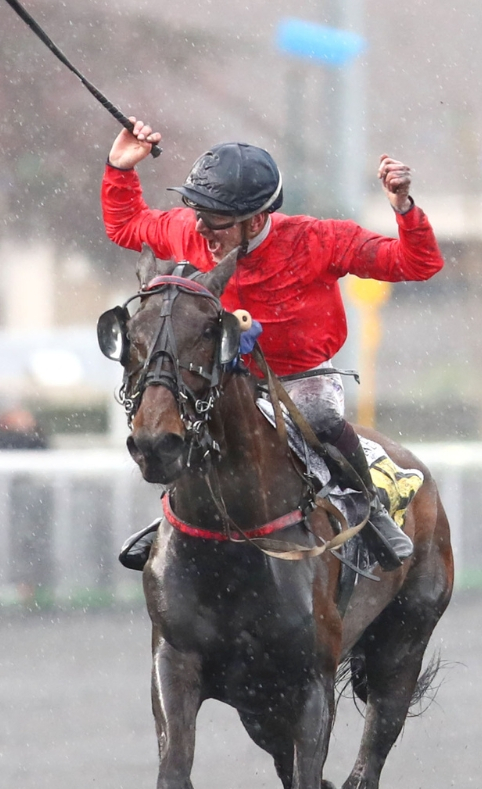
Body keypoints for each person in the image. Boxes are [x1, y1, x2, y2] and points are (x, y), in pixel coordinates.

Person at [102, 119, 443, 571]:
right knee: (180, 415)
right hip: (222, 376)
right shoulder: (191, 229)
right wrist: (119, 168)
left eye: (215, 219)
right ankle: (173, 523)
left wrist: (404, 209)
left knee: (320, 416)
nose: (202, 228)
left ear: (257, 219)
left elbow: (417, 263)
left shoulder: (318, 239)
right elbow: (126, 225)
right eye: (197, 211)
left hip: (299, 378)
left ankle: (371, 510)